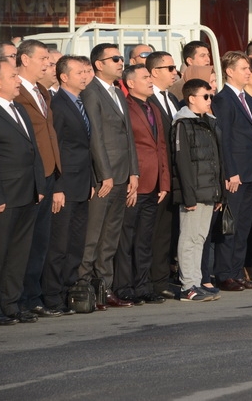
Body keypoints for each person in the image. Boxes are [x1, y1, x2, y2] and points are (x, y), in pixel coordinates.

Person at [0, 58, 45, 325]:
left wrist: (39, 185)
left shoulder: (20, 109)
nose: (18, 80)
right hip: (3, 196)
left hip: (27, 193)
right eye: (13, 76)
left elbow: (33, 150)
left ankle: (11, 303)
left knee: (18, 253)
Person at [79, 43, 139, 308]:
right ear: (98, 64)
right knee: (92, 237)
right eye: (114, 58)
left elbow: (128, 136)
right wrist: (105, 175)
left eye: (120, 57)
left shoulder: (116, 91)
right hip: (105, 178)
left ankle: (106, 289)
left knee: (110, 238)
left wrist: (134, 173)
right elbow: (96, 137)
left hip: (123, 174)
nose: (120, 62)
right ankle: (85, 290)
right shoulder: (91, 92)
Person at [14, 40, 63, 318]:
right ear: (24, 59)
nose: (48, 63)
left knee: (41, 241)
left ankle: (33, 296)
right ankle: (20, 298)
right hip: (29, 176)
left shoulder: (42, 91)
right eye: (43, 58)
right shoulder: (16, 90)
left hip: (48, 174)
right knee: (25, 242)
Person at [114, 65, 170, 305]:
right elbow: (126, 147)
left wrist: (164, 182)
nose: (150, 80)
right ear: (131, 83)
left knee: (145, 239)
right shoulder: (125, 107)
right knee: (126, 238)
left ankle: (144, 285)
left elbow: (161, 146)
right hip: (135, 182)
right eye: (145, 77)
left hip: (155, 181)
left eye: (150, 76)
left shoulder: (154, 107)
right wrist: (130, 178)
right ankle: (124, 286)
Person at [211, 51, 252, 292]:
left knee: (243, 226)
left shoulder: (250, 100)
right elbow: (225, 139)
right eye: (243, 68)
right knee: (229, 226)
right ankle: (224, 274)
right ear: (230, 71)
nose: (248, 72)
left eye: (248, 68)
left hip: (251, 172)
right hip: (235, 174)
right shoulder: (223, 100)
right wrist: (229, 172)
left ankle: (236, 271)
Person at [44, 55, 93, 314]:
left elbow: (86, 146)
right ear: (64, 76)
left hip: (83, 183)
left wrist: (92, 180)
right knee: (59, 244)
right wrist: (58, 186)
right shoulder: (58, 104)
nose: (85, 76)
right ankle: (52, 296)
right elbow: (57, 147)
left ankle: (69, 292)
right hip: (65, 185)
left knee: (76, 244)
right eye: (79, 72)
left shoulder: (80, 102)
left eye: (87, 71)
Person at [172, 79, 224, 302]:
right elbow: (182, 162)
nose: (209, 100)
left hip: (208, 190)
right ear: (192, 98)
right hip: (193, 192)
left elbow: (216, 160)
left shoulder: (209, 122)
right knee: (189, 238)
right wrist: (188, 195)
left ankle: (196, 281)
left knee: (200, 237)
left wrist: (219, 192)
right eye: (206, 96)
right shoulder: (183, 124)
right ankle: (187, 286)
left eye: (211, 96)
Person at [145, 51, 181, 298]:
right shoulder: (148, 101)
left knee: (167, 230)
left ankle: (162, 279)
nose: (174, 72)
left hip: (173, 176)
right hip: (156, 177)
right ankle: (150, 281)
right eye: (169, 68)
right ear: (154, 72)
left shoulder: (173, 100)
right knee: (153, 231)